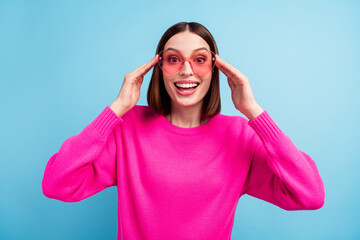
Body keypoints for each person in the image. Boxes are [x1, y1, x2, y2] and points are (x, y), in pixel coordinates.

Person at [42, 22, 325, 240]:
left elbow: (310, 195)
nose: (186, 70)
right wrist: (116, 108)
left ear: (215, 69)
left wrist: (254, 111)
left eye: (199, 60)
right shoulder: (128, 128)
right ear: (159, 67)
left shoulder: (239, 136)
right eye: (174, 59)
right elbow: (56, 183)